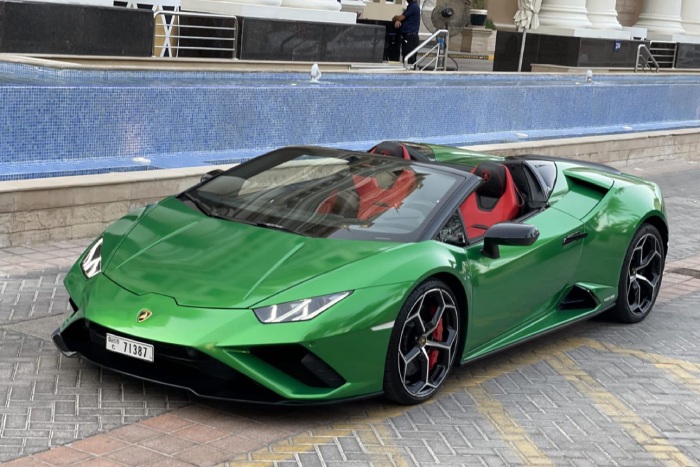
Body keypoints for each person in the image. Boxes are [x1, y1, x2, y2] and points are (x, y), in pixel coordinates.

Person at [392, 0, 420, 65]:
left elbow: (400, 17)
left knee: (409, 59)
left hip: (410, 37)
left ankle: (409, 70)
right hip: (409, 36)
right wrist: (398, 21)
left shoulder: (413, 6)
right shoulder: (411, 6)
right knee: (406, 57)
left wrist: (395, 17)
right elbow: (403, 19)